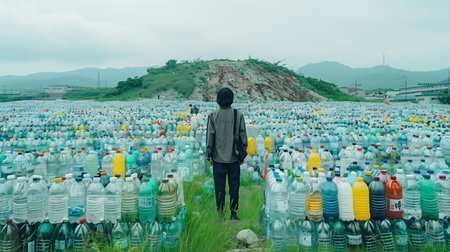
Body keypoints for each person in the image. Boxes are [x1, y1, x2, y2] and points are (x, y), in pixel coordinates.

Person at [206, 87, 247, 220]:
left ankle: (220, 214)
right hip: (234, 159)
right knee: (234, 187)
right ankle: (233, 213)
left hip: (218, 159)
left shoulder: (213, 116)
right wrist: (242, 154)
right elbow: (243, 137)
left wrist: (209, 155)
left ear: (218, 99)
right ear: (231, 99)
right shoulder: (238, 115)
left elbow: (210, 137)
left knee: (219, 188)